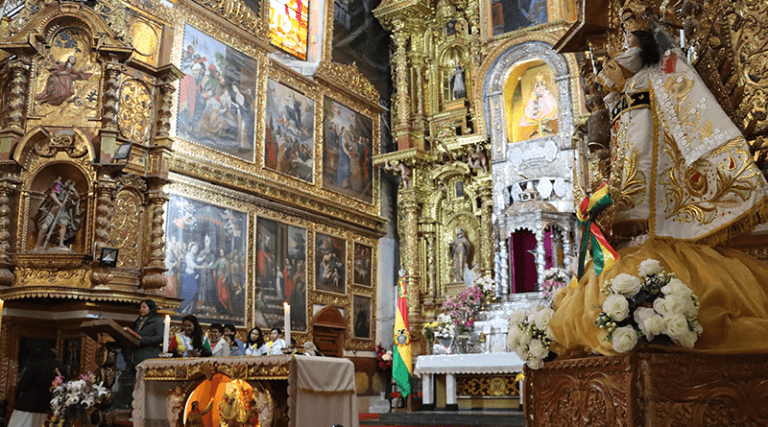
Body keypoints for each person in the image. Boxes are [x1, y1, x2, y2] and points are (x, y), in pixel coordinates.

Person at [550, 7, 768, 357]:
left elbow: (661, 135)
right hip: (631, 196)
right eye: (621, 37)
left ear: (646, 42)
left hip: (655, 196)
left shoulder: (662, 73)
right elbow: (626, 145)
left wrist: (620, 195)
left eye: (630, 38)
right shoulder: (629, 88)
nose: (621, 47)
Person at [8, 346, 66, 427]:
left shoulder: (34, 364)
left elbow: (23, 384)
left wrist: (16, 396)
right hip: (49, 406)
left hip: (28, 405)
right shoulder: (61, 366)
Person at [34, 179, 82, 251]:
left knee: (63, 223)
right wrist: (59, 203)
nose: (66, 183)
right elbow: (53, 195)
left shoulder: (70, 194)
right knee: (44, 227)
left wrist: (74, 190)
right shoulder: (59, 187)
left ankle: (61, 244)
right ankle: (37, 245)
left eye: (68, 183)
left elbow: (77, 198)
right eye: (66, 182)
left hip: (64, 212)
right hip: (54, 210)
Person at [130, 299, 164, 368]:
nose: (141, 309)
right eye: (140, 308)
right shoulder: (138, 321)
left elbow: (159, 337)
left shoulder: (157, 320)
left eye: (144, 307)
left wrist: (142, 339)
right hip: (137, 354)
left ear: (151, 308)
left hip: (150, 354)